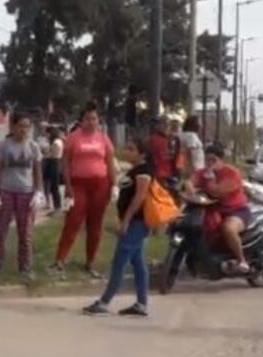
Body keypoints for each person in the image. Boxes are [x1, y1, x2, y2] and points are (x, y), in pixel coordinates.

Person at [83, 136, 152, 317]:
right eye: (127, 148)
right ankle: (142, 303)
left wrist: (127, 219)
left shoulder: (144, 171)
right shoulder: (134, 170)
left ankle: (104, 302)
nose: (127, 151)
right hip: (133, 221)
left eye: (131, 149)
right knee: (137, 263)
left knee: (119, 262)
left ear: (141, 153)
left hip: (136, 222)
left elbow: (140, 197)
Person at [51, 103, 117, 278]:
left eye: (94, 118)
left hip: (100, 185)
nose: (91, 121)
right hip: (79, 184)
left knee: (95, 225)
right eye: (87, 118)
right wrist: (68, 185)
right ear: (81, 120)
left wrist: (114, 184)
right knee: (73, 221)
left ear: (98, 120)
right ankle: (60, 260)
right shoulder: (73, 137)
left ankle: (90, 262)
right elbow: (65, 163)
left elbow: (110, 163)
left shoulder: (103, 138)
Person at [0, 111, 43, 280]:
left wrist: (39, 192)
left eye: (27, 126)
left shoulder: (33, 146)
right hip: (6, 191)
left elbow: (37, 171)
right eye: (21, 126)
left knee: (25, 232)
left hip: (26, 193)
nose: (24, 130)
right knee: (0, 230)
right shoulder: (3, 146)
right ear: (13, 127)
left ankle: (25, 267)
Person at [185, 143, 252, 274]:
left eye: (213, 160)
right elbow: (189, 182)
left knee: (228, 229)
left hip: (236, 210)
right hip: (214, 210)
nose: (209, 163)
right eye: (207, 159)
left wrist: (210, 179)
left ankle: (241, 260)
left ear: (221, 160)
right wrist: (191, 191)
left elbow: (218, 192)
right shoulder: (203, 172)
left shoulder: (232, 173)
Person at [42, 126, 65, 213]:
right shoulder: (55, 141)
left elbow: (53, 153)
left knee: (54, 185)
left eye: (47, 133)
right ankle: (55, 205)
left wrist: (46, 152)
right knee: (51, 185)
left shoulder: (56, 142)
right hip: (53, 162)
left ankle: (57, 206)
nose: (46, 135)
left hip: (54, 162)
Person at [148, 116, 177, 184]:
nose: (165, 126)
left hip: (169, 172)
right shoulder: (152, 139)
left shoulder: (172, 139)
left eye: (167, 124)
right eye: (162, 124)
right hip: (157, 172)